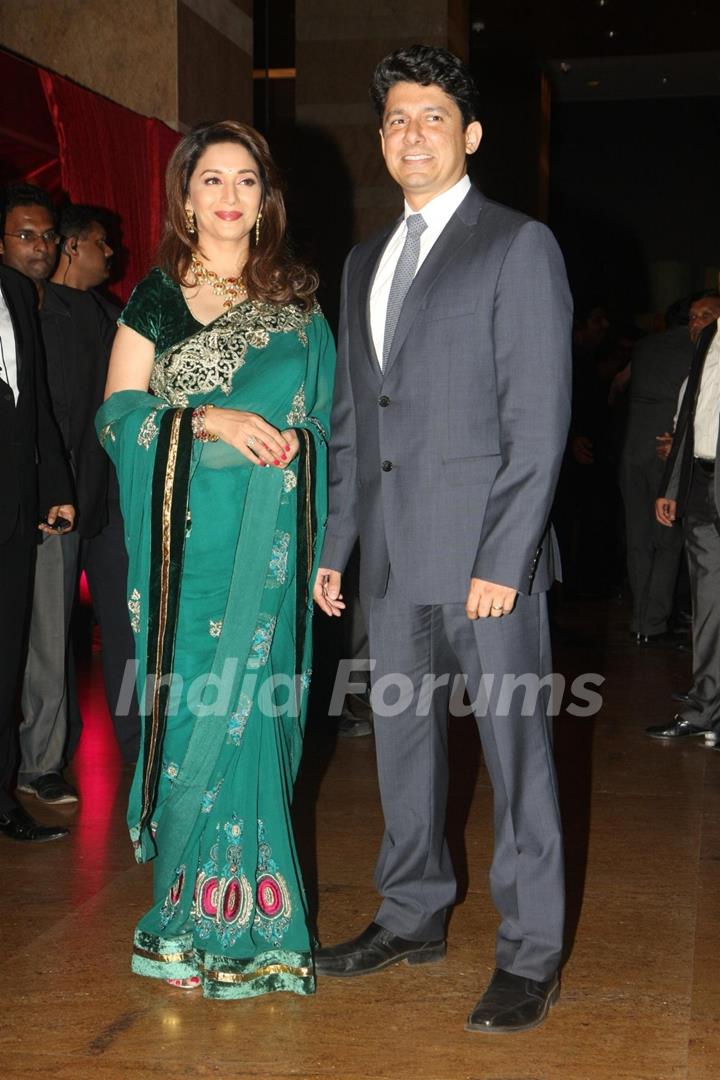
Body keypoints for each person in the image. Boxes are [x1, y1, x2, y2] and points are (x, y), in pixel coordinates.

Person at [313, 46, 572, 1034]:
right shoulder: (363, 261)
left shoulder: (517, 245)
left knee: (517, 755)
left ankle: (532, 950)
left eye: (431, 117)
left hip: (486, 567)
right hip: (392, 561)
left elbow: (538, 420)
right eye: (394, 121)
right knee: (402, 750)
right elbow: (353, 420)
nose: (410, 134)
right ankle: (412, 914)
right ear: (381, 141)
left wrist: (504, 561)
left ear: (468, 135)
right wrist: (339, 544)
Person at [97, 120, 334, 998]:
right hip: (183, 555)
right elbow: (118, 417)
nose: (229, 197)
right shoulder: (155, 301)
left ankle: (262, 934)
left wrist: (321, 543)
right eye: (211, 181)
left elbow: (330, 428)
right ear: (185, 197)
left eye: (245, 180)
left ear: (264, 198)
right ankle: (183, 929)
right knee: (195, 719)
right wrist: (207, 421)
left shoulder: (300, 307)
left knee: (255, 723)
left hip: (267, 556)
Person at [0, 184, 113, 803]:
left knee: (48, 638)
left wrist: (68, 495)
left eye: (46, 235)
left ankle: (41, 763)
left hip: (54, 505)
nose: (39, 246)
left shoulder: (77, 312)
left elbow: (86, 415)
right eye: (25, 235)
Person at [52, 202, 140, 764]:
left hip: (110, 499)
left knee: (127, 626)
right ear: (72, 246)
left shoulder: (117, 316)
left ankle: (138, 747)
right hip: (52, 504)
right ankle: (47, 759)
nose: (111, 253)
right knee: (49, 637)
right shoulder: (28, 310)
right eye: (101, 242)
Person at [0, 261, 75, 841]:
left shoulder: (15, 289)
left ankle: (3, 801)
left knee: (7, 666)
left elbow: (34, 399)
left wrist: (55, 487)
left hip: (14, 511)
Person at [648, 295, 720, 746]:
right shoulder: (707, 345)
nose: (697, 323)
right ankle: (706, 708)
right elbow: (690, 420)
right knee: (709, 607)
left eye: (704, 315)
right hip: (699, 487)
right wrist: (671, 486)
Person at [620, 298, 694, 643]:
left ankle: (638, 622)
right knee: (667, 540)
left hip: (632, 449)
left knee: (637, 538)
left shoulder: (645, 346)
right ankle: (655, 622)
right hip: (668, 448)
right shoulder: (698, 346)